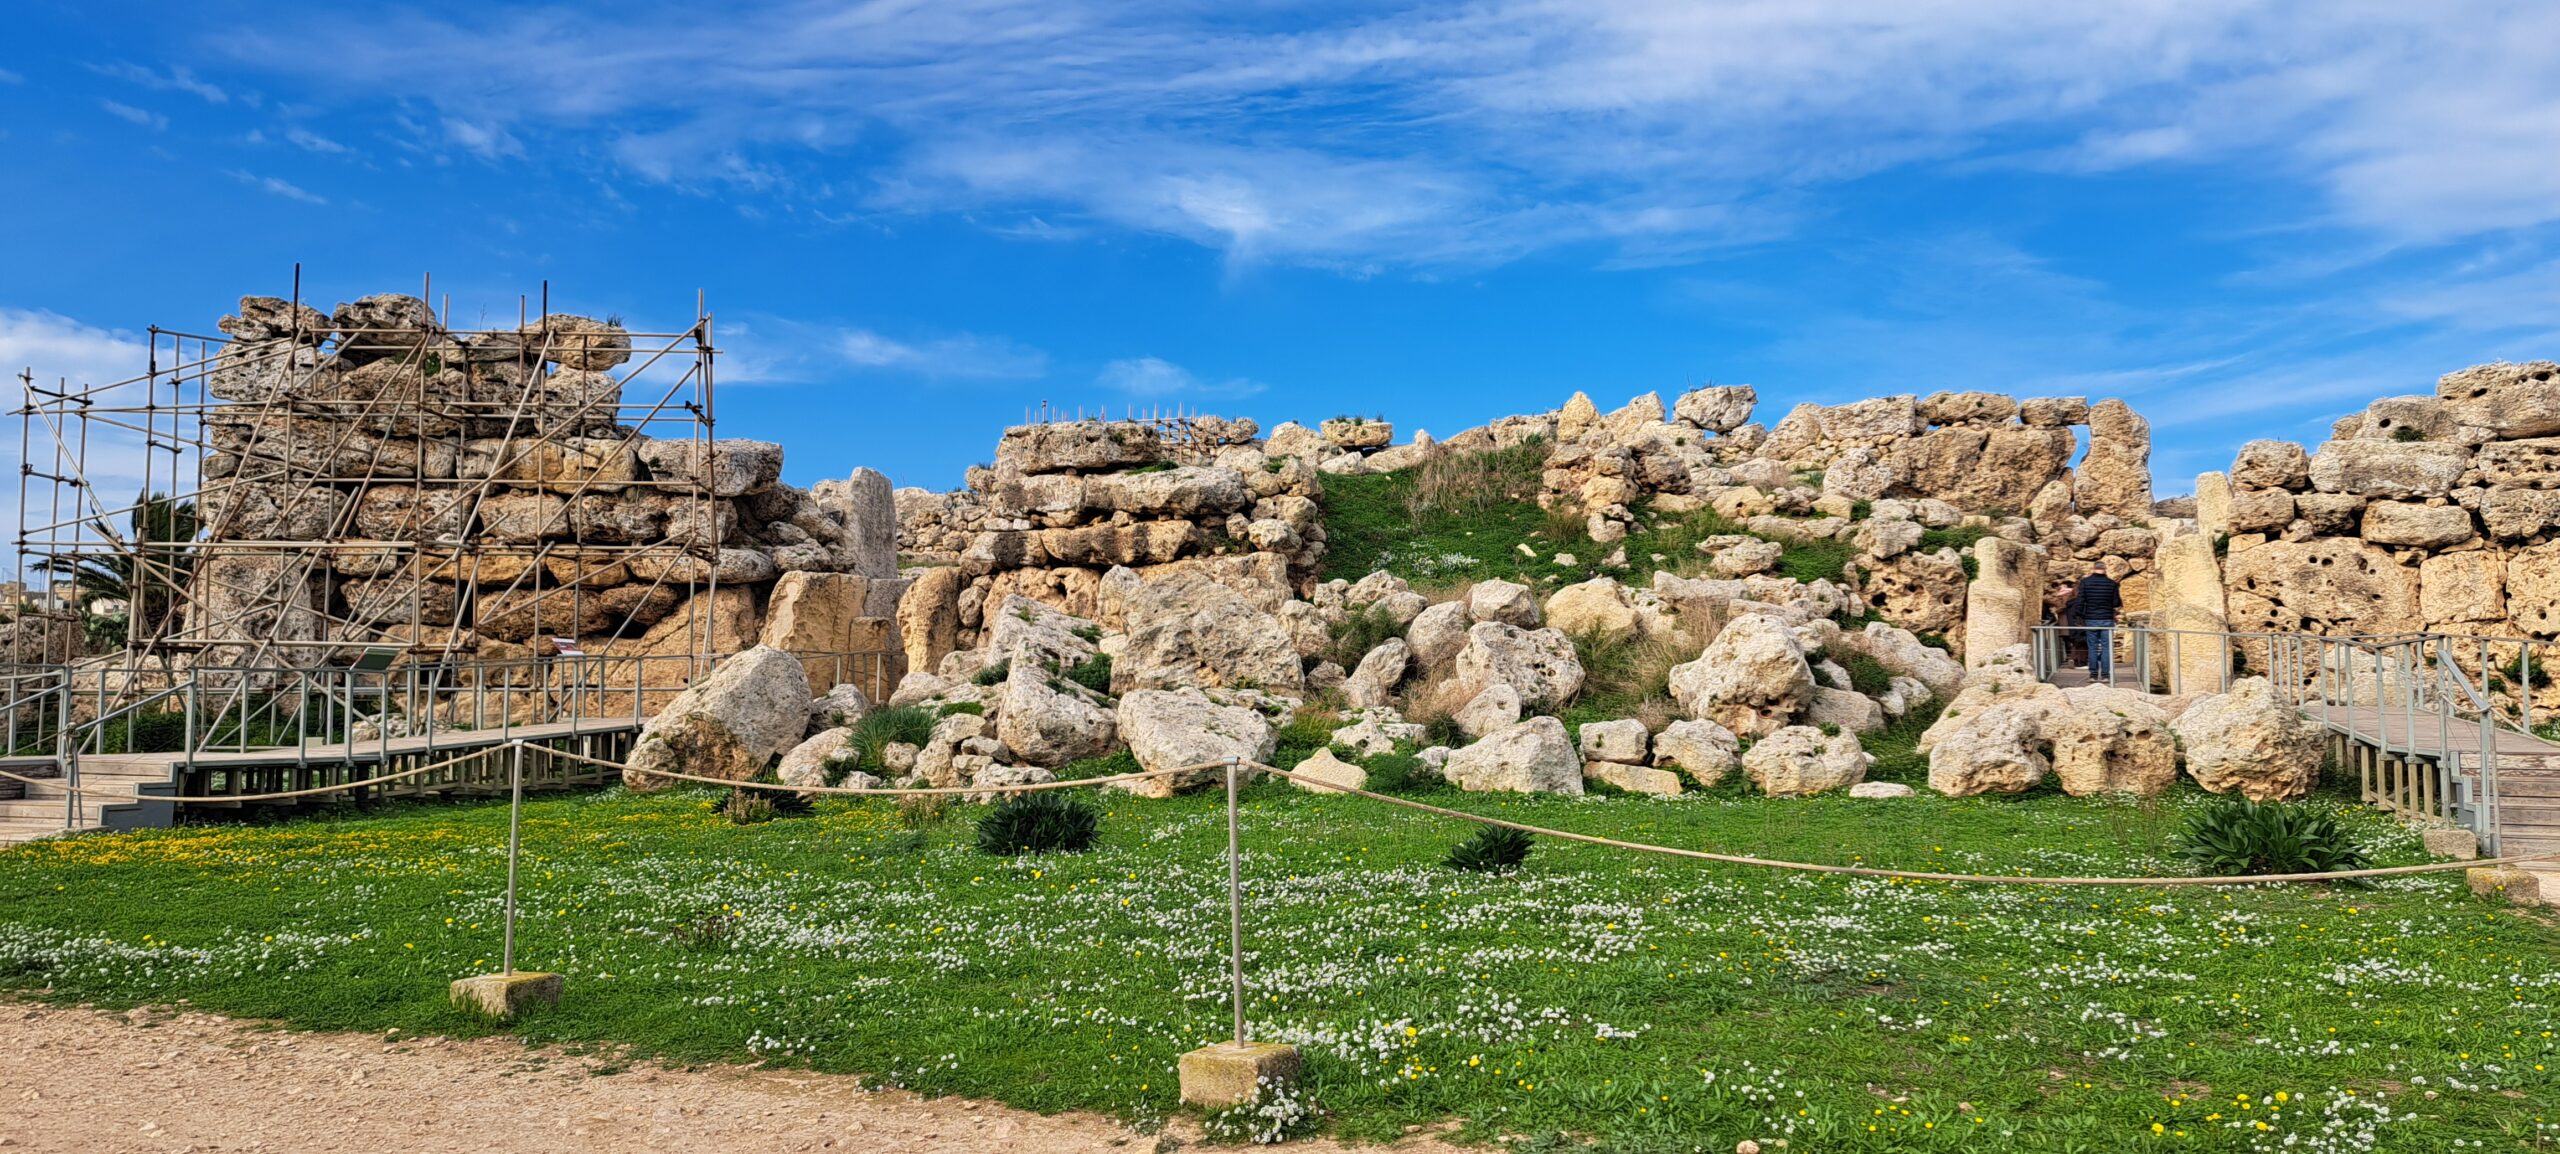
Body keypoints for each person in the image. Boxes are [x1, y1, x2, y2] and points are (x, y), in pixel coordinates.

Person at [2073, 564, 2122, 681]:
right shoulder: (2112, 583)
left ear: (2093, 569)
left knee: (2092, 647)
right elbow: (2116, 603)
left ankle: (2093, 675)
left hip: (2091, 619)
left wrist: (2080, 615)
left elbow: (2080, 601)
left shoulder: (2085, 582)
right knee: (2106, 648)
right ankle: (2106, 675)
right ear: (2105, 570)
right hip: (2107, 619)